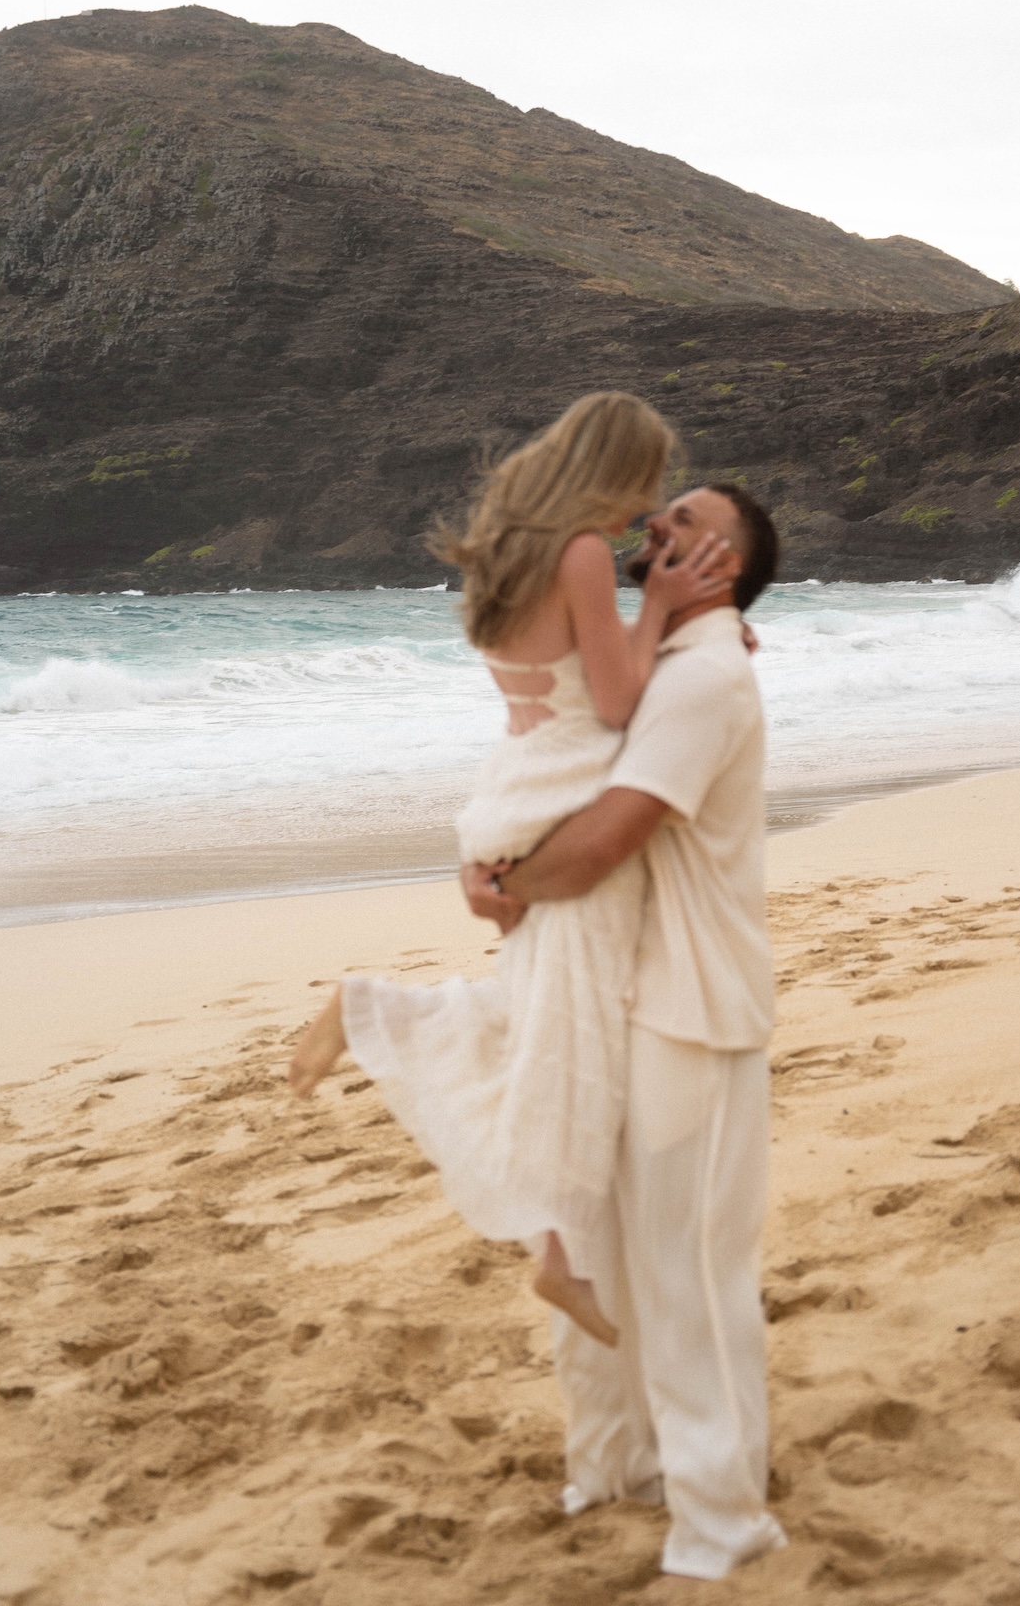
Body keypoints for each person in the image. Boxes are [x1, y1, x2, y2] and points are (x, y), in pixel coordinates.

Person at [288, 393, 736, 1347]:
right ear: (608, 470)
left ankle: (554, 1245)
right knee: (577, 1022)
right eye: (642, 484)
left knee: (553, 1008)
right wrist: (663, 608)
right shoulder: (576, 552)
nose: (642, 508)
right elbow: (615, 704)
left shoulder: (507, 547)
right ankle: (558, 1254)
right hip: (566, 789)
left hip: (513, 786)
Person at [463, 481, 787, 1583]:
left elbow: (601, 842)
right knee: (607, 1258)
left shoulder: (703, 679)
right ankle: (621, 1466)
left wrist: (506, 885)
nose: (661, 526)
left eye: (691, 524)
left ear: (729, 567)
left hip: (692, 1008)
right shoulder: (661, 667)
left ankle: (721, 1524)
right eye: (661, 517)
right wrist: (488, 865)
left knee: (691, 1276)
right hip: (620, 994)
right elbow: (564, 763)